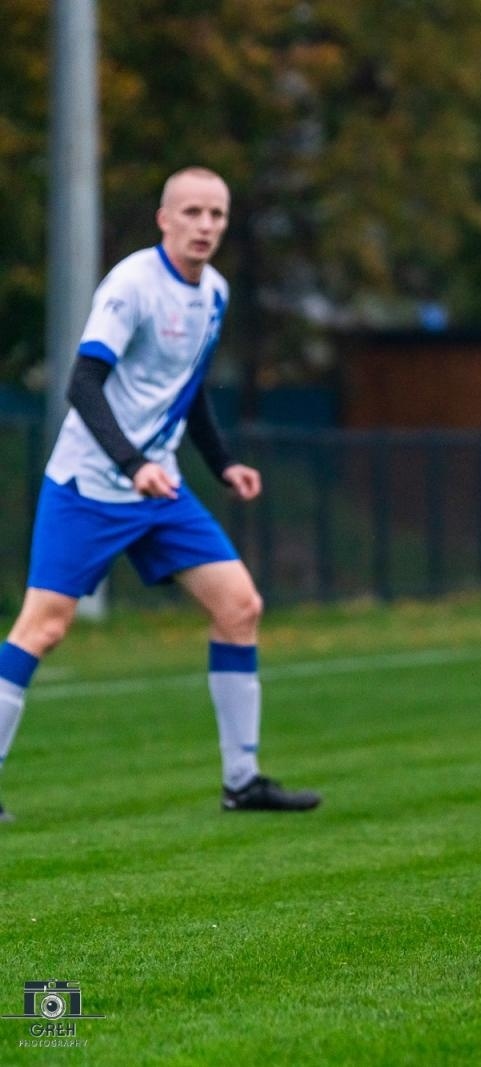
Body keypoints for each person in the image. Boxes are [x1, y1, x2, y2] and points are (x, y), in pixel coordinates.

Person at [0, 167, 320, 821]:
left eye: (217, 215)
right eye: (193, 212)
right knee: (43, 627)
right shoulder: (132, 285)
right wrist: (132, 462)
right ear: (164, 218)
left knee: (239, 605)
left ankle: (242, 780)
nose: (206, 226)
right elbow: (82, 384)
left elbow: (188, 387)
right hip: (89, 484)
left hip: (159, 488)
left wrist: (224, 462)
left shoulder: (216, 294)